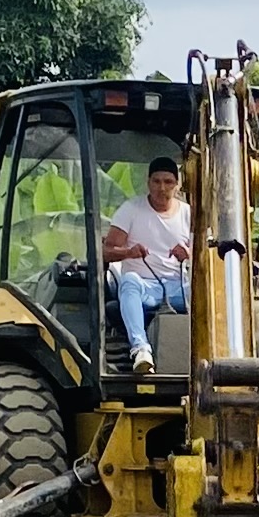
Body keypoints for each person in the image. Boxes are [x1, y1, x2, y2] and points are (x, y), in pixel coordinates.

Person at [103, 156, 193, 369]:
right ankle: (141, 349)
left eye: (168, 182)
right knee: (129, 281)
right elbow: (106, 252)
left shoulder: (189, 214)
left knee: (206, 293)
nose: (162, 188)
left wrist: (189, 254)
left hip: (179, 288)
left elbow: (207, 253)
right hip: (144, 287)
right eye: (157, 181)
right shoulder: (131, 210)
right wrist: (129, 252)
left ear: (177, 185)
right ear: (148, 182)